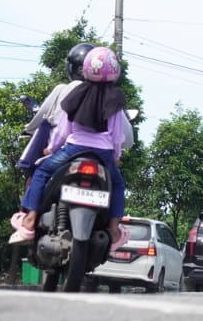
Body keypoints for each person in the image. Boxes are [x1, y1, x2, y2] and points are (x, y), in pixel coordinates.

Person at [10, 46, 131, 245]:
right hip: (103, 155)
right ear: (115, 71)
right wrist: (115, 155)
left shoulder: (74, 94)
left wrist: (53, 148)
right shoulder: (116, 100)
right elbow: (117, 136)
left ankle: (30, 219)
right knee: (118, 184)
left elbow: (63, 130)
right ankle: (113, 229)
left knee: (41, 172)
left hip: (73, 149)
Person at [16, 42, 92, 175]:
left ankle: (30, 197)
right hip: (99, 155)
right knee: (117, 184)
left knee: (40, 174)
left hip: (67, 150)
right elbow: (127, 139)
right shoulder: (109, 94)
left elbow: (57, 126)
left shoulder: (63, 89)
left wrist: (50, 147)